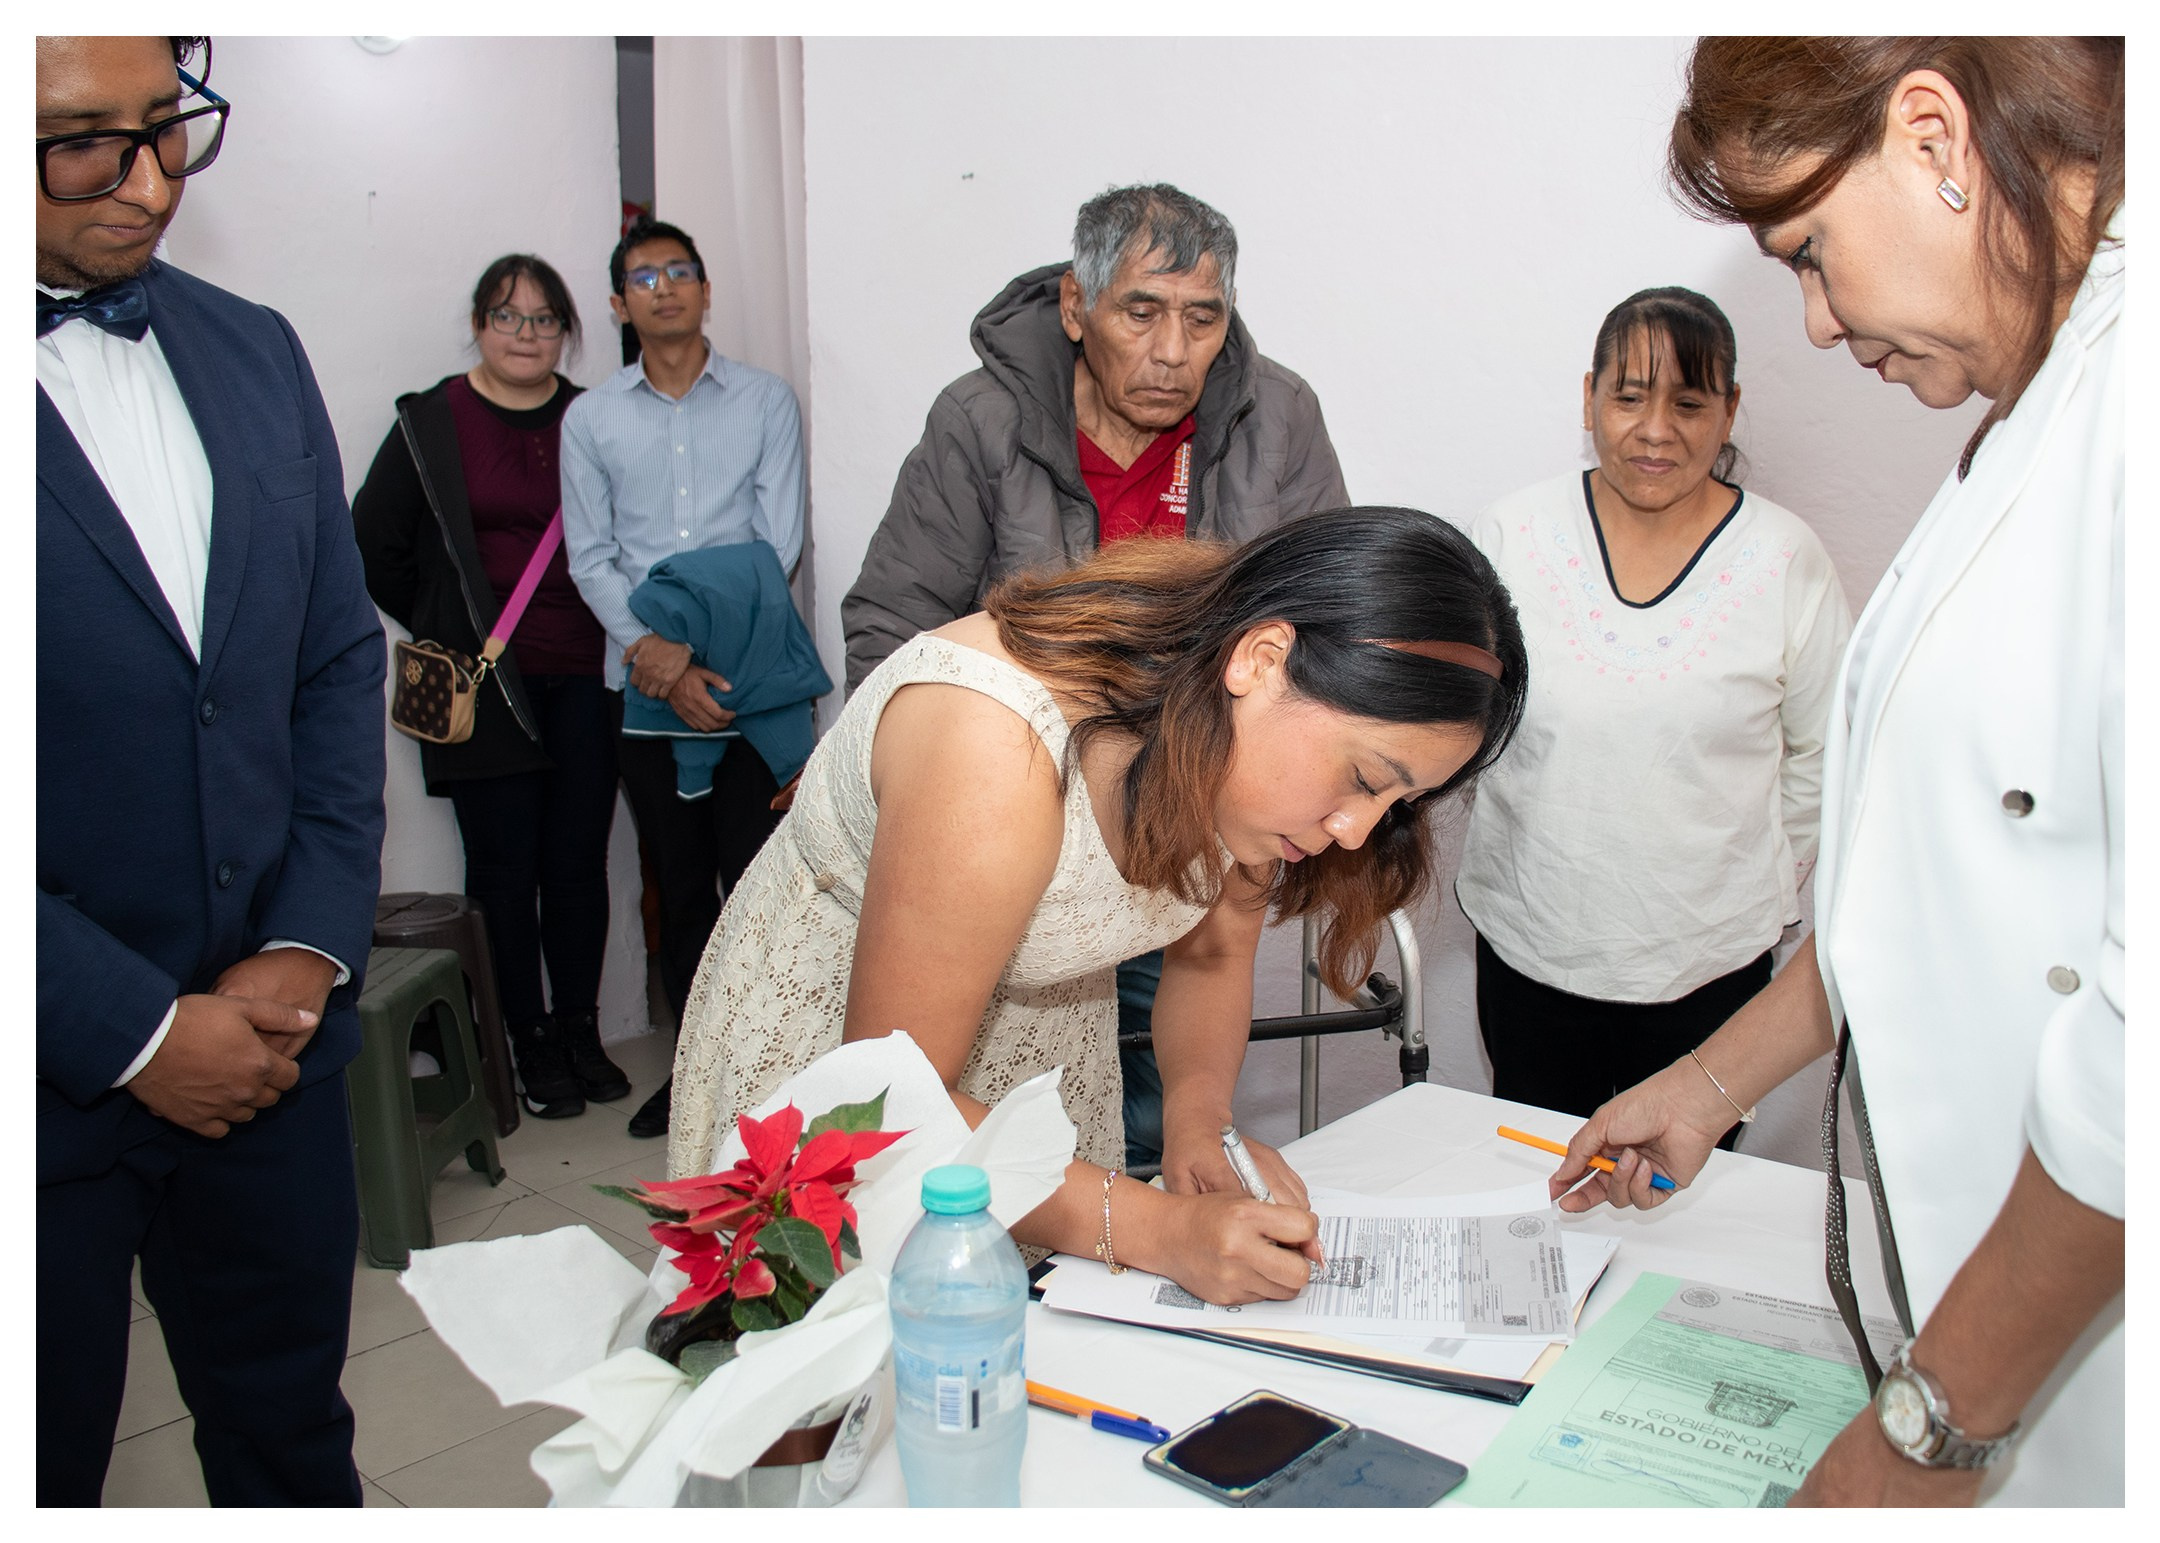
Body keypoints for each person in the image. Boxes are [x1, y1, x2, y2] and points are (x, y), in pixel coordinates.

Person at [1549, 37, 2122, 1507]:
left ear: (1934, 131)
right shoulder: (2040, 411)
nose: (1812, 323)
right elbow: (1935, 883)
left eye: (1808, 254)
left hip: (2064, 1380)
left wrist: (1935, 1428)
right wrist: (1706, 1078)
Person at [671, 508, 1529, 1305]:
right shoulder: (994, 745)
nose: (1354, 833)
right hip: (853, 1071)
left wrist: (1200, 1122)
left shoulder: (1232, 744)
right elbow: (892, 1089)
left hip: (1030, 1082)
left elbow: (1215, 948)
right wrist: (1156, 1226)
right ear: (1261, 661)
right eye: (1365, 778)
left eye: (1398, 804)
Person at [37, 35, 386, 1504]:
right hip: (48, 1066)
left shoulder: (252, 345)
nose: (150, 183)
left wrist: (304, 947)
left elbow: (329, 665)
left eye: (171, 131)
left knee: (291, 1437)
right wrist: (129, 1025)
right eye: (83, 143)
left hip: (269, 1051)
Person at [841, 183, 1351, 1170]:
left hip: (1188, 814)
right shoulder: (983, 420)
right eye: (1140, 312)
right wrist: (919, 795)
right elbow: (894, 620)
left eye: (1203, 319)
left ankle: (1140, 1262)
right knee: (965, 1114)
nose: (1173, 353)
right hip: (1015, 812)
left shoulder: (1277, 416)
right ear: (1077, 308)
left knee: (1166, 1109)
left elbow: (1322, 622)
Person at [1457, 287, 1851, 1136]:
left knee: (1675, 1198)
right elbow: (1462, 721)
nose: (1655, 429)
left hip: (1710, 965)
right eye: (1628, 396)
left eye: (1690, 402)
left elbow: (1826, 750)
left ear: (1731, 408)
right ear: (1589, 395)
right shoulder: (1512, 532)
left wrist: (1762, 883)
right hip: (1533, 946)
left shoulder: (1785, 558)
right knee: (1542, 1174)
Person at [352, 255, 629, 1121]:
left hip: (589, 669)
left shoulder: (596, 416)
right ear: (479, 324)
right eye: (508, 317)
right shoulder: (431, 422)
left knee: (579, 866)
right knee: (505, 872)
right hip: (485, 685)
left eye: (545, 320)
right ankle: (528, 1039)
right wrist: (447, 623)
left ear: (569, 333)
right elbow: (373, 544)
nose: (526, 334)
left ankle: (580, 1030)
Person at [562, 216, 806, 1140]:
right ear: (621, 305)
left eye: (680, 271)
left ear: (707, 290)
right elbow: (592, 559)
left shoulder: (765, 401)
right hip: (644, 691)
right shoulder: (591, 418)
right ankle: (695, 1072)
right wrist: (661, 660)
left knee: (760, 882)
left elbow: (773, 546)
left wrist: (705, 660)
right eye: (642, 276)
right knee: (676, 879)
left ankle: (769, 1075)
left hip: (749, 683)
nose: (663, 287)